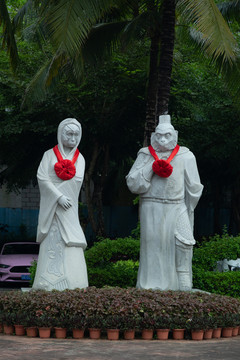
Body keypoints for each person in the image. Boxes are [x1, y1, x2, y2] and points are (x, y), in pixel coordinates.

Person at [126, 115, 203, 291]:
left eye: (167, 135)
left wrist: (188, 207)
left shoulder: (186, 155)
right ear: (154, 136)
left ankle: (182, 282)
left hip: (177, 205)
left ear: (174, 135)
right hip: (151, 207)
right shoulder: (145, 154)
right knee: (152, 246)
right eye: (159, 135)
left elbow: (194, 187)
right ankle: (150, 286)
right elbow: (132, 183)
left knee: (184, 242)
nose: (162, 139)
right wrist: (151, 166)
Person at [33, 118, 88, 291]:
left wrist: (62, 193)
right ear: (61, 134)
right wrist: (58, 196)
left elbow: (77, 180)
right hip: (53, 208)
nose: (73, 137)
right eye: (69, 133)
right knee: (51, 242)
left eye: (76, 134)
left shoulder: (81, 159)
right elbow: (42, 178)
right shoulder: (48, 155)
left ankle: (75, 282)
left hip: (69, 210)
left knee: (72, 243)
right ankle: (46, 282)